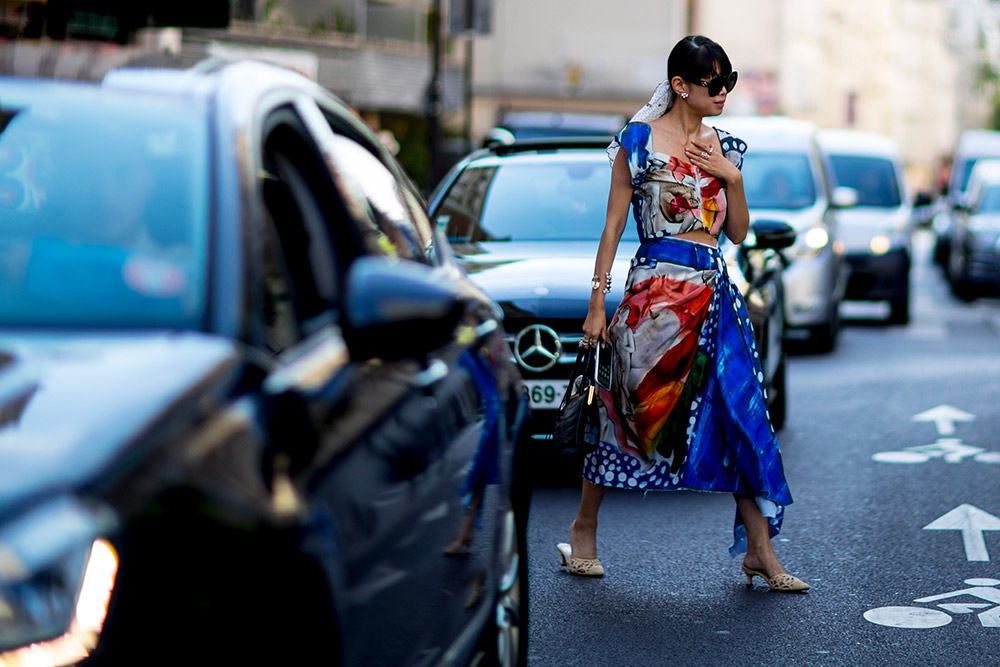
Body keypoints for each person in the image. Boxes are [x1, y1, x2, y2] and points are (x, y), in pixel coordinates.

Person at [558, 35, 808, 592]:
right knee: (624, 413)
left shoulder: (724, 146)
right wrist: (598, 301)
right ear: (680, 86)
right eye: (714, 83)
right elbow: (612, 228)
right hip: (654, 299)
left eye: (729, 82)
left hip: (715, 294)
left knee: (741, 415)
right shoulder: (639, 142)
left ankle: (760, 552)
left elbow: (738, 233)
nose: (723, 93)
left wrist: (731, 177)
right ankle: (583, 530)